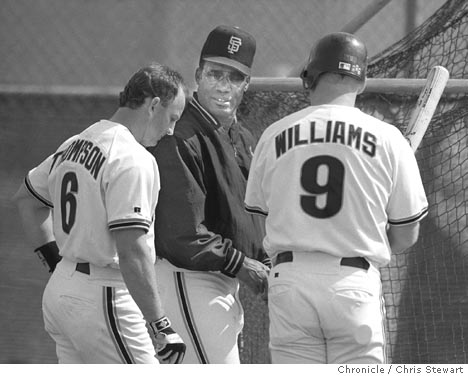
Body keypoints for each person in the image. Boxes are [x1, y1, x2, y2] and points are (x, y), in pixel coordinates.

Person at [244, 32, 429, 364]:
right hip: (353, 282)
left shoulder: (273, 134)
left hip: (289, 280)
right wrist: (363, 232)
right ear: (361, 82)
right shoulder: (389, 138)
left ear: (309, 77)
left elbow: (258, 219)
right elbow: (406, 234)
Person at [13, 63, 187, 364]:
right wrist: (160, 323)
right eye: (172, 118)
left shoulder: (76, 142)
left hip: (63, 289)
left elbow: (27, 200)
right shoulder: (133, 158)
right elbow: (131, 249)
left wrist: (59, 267)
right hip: (105, 295)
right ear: (154, 105)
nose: (171, 130)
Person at [148, 25, 270, 364]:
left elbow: (253, 215)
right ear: (198, 75)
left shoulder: (241, 136)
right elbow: (182, 236)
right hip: (185, 281)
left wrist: (267, 262)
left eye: (234, 77)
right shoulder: (180, 134)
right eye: (215, 73)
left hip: (219, 283)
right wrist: (246, 265)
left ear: (247, 84)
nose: (222, 85)